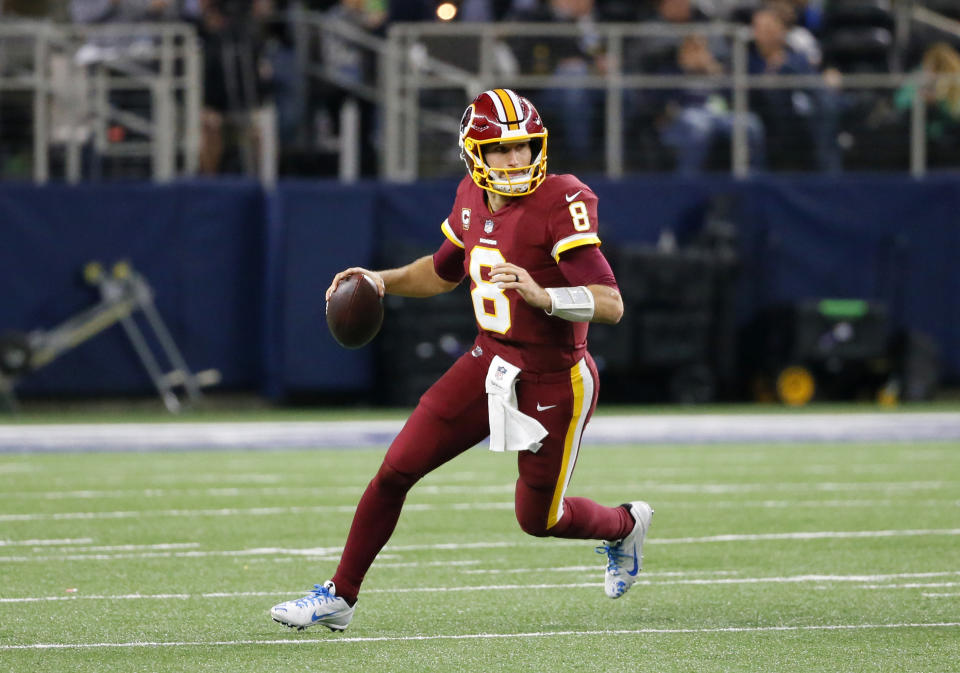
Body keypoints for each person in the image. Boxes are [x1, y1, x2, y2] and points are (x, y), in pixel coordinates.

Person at [269, 88, 654, 632]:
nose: (516, 159)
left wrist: (545, 297)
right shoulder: (471, 196)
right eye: (501, 150)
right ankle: (340, 595)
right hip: (488, 361)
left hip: (556, 377)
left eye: (524, 147)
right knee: (395, 470)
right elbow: (442, 270)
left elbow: (611, 303)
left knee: (537, 519)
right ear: (476, 154)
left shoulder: (561, 199)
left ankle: (623, 524)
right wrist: (381, 280)